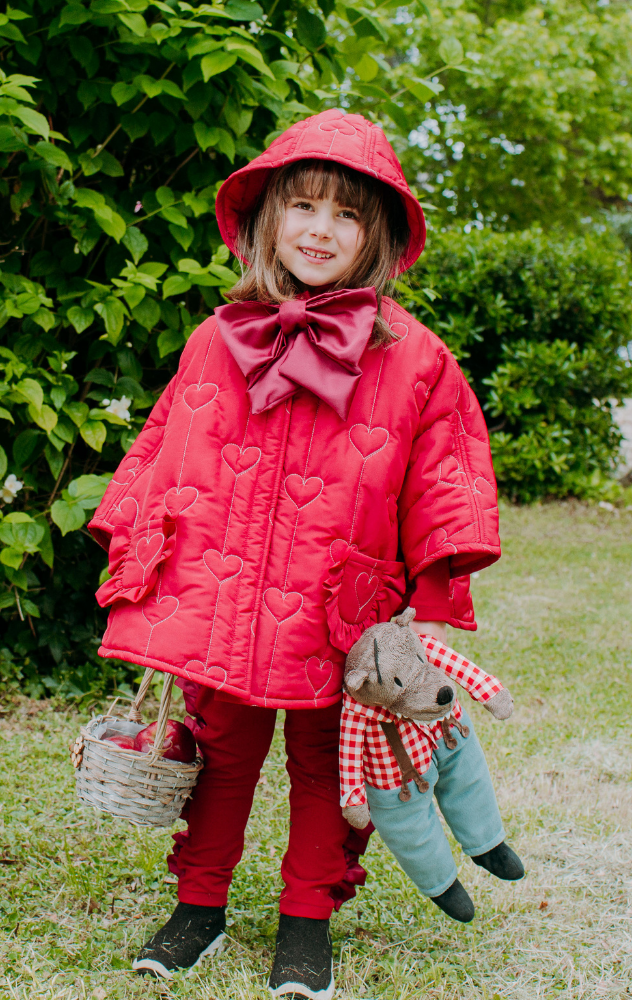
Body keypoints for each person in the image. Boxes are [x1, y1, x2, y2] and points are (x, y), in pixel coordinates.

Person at [88, 108, 501, 1000]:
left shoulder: (418, 360)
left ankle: (306, 922)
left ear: (379, 235)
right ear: (269, 217)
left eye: (347, 214)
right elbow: (167, 455)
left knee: (327, 764)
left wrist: (427, 591)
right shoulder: (217, 338)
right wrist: (140, 557)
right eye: (304, 206)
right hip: (225, 599)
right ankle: (199, 906)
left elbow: (446, 472)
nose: (321, 230)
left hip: (339, 604)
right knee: (221, 752)